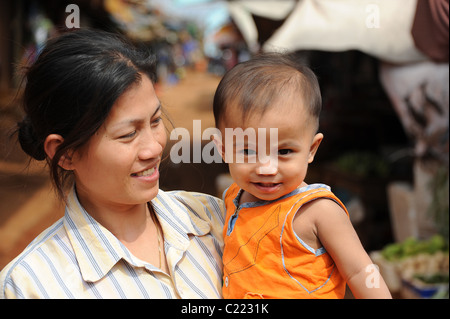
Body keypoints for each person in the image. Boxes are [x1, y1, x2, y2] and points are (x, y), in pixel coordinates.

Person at [0, 28, 224, 299]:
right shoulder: (29, 286)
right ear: (66, 153)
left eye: (155, 121)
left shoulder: (215, 219)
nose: (154, 148)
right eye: (128, 134)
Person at [212, 52, 392, 299]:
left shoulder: (317, 211)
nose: (266, 168)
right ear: (222, 148)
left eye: (284, 151)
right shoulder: (233, 198)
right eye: (247, 151)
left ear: (311, 149)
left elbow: (361, 271)